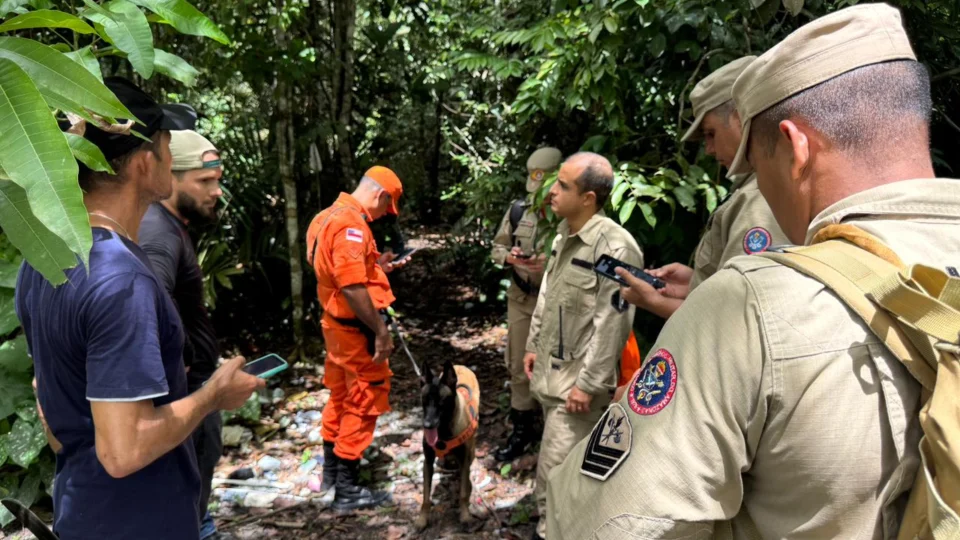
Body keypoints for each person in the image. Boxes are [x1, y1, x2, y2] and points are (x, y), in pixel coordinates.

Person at [547, 4, 954, 538]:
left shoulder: (749, 308)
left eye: (756, 167)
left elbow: (607, 523)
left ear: (795, 146)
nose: (755, 186)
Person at [15, 78, 264, 540]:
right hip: (138, 522)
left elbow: (51, 413)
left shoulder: (43, 259)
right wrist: (213, 395)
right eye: (167, 144)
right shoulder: (122, 279)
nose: (171, 155)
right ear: (146, 161)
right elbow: (123, 452)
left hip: (81, 510)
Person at [522, 152, 643, 539]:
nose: (552, 191)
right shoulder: (564, 235)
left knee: (557, 487)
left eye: (563, 185)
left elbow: (614, 324)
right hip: (551, 378)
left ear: (588, 198)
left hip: (576, 389)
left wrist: (588, 384)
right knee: (559, 479)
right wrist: (532, 345)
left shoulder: (615, 247)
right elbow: (548, 296)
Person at [619, 56, 786, 320]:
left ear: (742, 116)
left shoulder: (759, 199)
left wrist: (653, 302)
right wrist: (697, 280)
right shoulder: (759, 186)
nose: (708, 149)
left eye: (710, 133)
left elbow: (735, 316)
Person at [139, 129, 228, 540]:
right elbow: (149, 302)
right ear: (171, 175)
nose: (216, 191)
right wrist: (185, 357)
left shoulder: (171, 226)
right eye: (205, 181)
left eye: (218, 180)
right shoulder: (158, 231)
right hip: (185, 398)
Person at [305, 166, 407, 511]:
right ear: (380, 195)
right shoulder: (351, 224)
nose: (383, 217)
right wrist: (380, 331)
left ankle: (332, 475)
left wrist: (378, 265)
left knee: (340, 393)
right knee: (365, 398)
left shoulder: (326, 216)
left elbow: (336, 270)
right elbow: (349, 285)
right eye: (386, 209)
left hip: (334, 327)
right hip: (355, 332)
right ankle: (347, 489)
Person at [490, 146, 562, 462]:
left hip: (558, 305)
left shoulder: (571, 213)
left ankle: (555, 433)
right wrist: (508, 257)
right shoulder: (519, 210)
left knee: (556, 367)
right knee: (519, 364)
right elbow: (497, 246)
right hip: (521, 299)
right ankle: (522, 428)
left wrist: (549, 262)